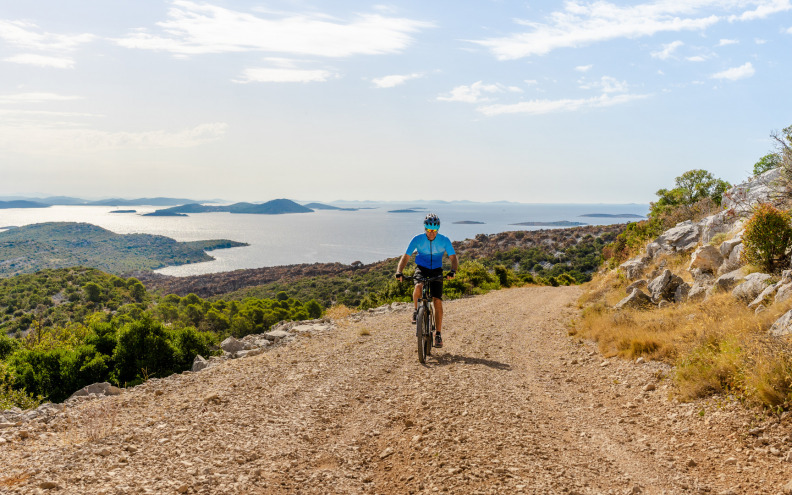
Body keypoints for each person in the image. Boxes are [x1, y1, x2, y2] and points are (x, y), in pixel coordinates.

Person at [395, 213, 458, 348]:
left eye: (434, 231)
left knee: (437, 300)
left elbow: (453, 257)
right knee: (418, 286)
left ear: (437, 229)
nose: (431, 233)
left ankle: (439, 334)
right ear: (425, 228)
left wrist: (453, 271)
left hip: (436, 270)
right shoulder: (417, 239)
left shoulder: (444, 240)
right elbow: (406, 256)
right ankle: (416, 310)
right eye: (429, 230)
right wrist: (399, 271)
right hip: (421, 269)